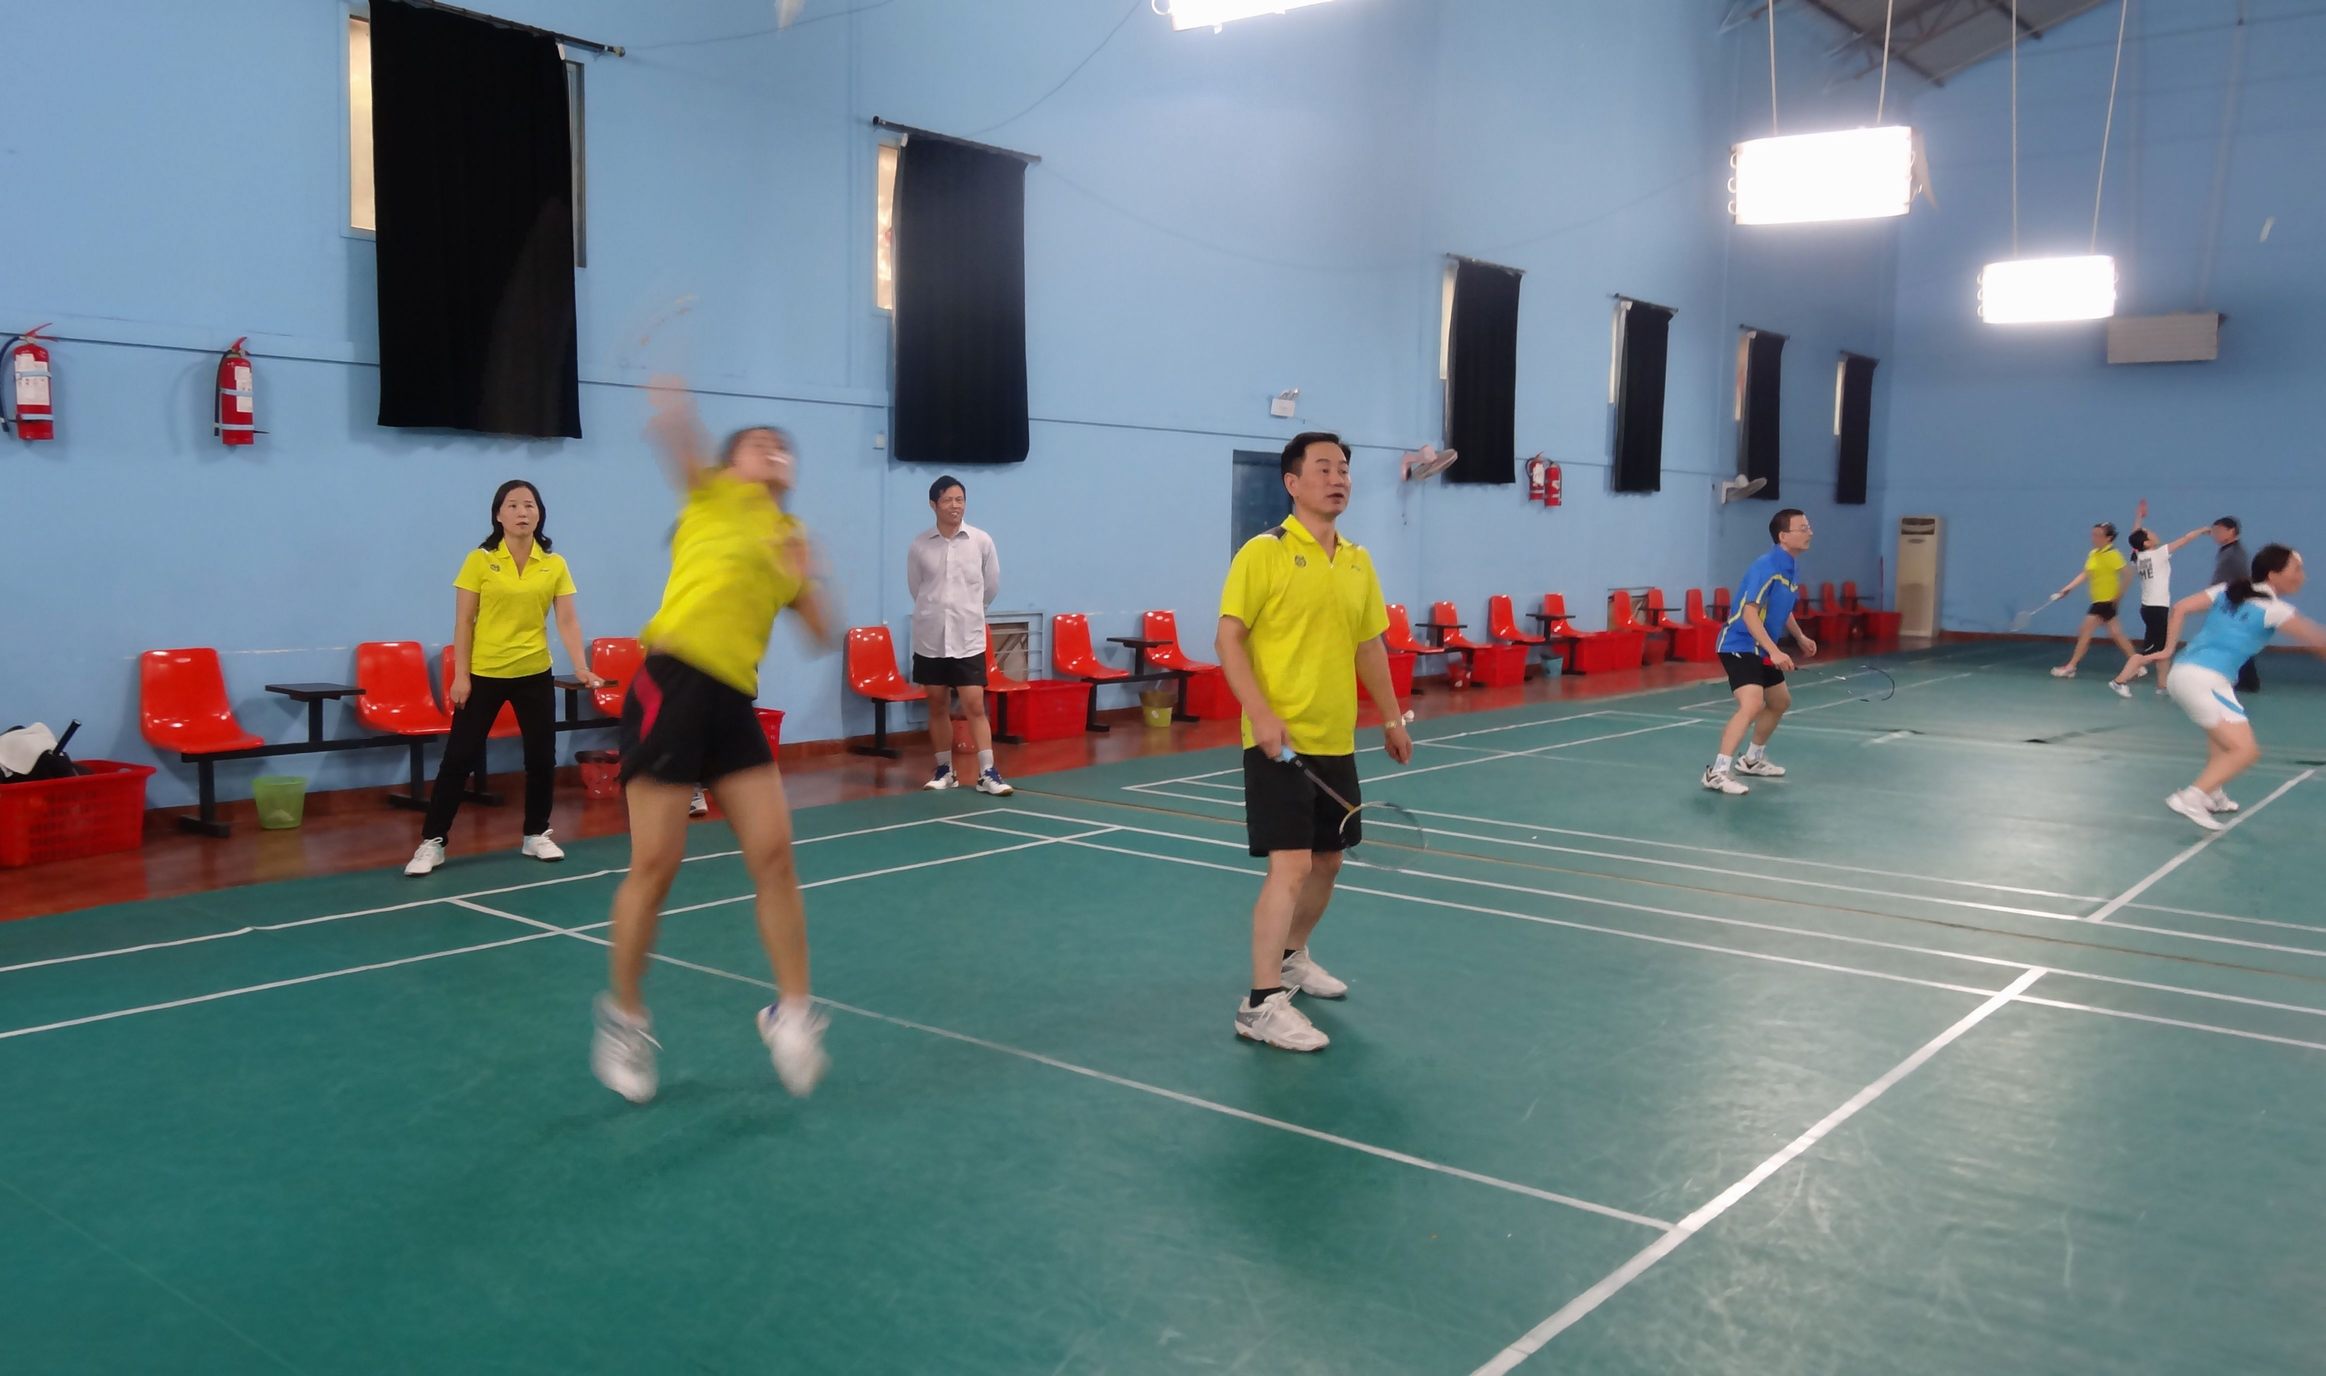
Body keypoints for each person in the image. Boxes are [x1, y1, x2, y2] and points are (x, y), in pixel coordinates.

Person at [590, 379, 838, 1103]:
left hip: (732, 699)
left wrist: (809, 577)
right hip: (671, 684)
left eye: (783, 447)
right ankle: (625, 1020)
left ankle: (792, 1014)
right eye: (761, 444)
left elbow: (821, 632)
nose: (776, 451)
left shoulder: (788, 535)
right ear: (733, 465)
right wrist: (671, 404)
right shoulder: (711, 496)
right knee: (655, 866)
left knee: (775, 854)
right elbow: (680, 439)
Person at [1215, 432, 1412, 1053]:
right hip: (1279, 740)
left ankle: (1292, 958)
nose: (1338, 478)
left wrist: (1391, 718)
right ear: (1292, 483)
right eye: (1323, 468)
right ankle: (1259, 1003)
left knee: (1329, 859)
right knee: (1292, 864)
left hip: (1335, 737)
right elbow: (1228, 639)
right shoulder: (1264, 553)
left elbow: (1368, 644)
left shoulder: (1356, 560)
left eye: (1344, 469)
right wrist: (1260, 713)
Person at [404, 480, 605, 877]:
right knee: (458, 758)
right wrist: (461, 676)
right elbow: (464, 621)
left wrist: (581, 665)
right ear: (498, 515)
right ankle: (433, 842)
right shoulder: (479, 560)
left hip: (534, 672)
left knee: (541, 758)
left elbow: (567, 619)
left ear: (539, 513)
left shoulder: (554, 563)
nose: (522, 512)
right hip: (484, 674)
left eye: (529, 505)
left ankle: (536, 833)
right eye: (512, 505)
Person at [2131, 545, 2326, 830]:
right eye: (2296, 569)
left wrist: (2168, 648)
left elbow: (2181, 606)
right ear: (2273, 575)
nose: (2302, 576)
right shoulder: (2275, 609)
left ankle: (2214, 794)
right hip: (2203, 680)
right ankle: (2191, 797)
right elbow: (2319, 641)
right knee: (2245, 751)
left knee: (2223, 744)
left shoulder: (2227, 590)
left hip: (2189, 674)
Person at [906, 475, 1010, 796]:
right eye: (948, 500)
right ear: (933, 504)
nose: (955, 506)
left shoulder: (981, 541)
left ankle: (987, 773)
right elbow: (917, 589)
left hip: (968, 638)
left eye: (960, 499)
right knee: (937, 704)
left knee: (974, 704)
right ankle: (944, 770)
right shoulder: (920, 545)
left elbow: (991, 586)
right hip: (930, 638)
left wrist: (968, 611)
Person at [1703, 508, 1815, 797]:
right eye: (1803, 528)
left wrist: (1799, 636)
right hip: (1739, 643)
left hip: (1761, 645)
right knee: (1752, 704)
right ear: (1783, 536)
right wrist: (1774, 651)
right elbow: (1749, 613)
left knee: (1779, 701)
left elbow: (1781, 607)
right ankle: (1717, 772)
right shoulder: (1766, 566)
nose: (1810, 533)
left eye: (1808, 527)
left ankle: (1752, 759)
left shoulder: (1790, 566)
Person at [2108, 500, 2210, 698]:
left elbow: (2134, 537)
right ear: (2147, 542)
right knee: (2154, 652)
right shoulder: (2158, 554)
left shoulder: (2138, 556)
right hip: (2156, 609)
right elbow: (2185, 539)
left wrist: (2139, 517)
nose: (2154, 533)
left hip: (2149, 608)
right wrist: (2202, 530)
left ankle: (2162, 686)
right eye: (2149, 533)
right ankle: (2119, 681)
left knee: (2162, 648)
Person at [2047, 523, 2139, 678]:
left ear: (2109, 538)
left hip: (2106, 602)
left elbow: (2128, 575)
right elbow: (2086, 574)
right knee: (2117, 634)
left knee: (2085, 631)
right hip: (2098, 600)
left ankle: (2071, 666)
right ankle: (2137, 665)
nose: (2093, 538)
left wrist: (2118, 596)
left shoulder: (2113, 554)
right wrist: (2067, 589)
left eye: (2098, 535)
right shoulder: (2093, 554)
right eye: (2093, 534)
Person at [2210, 516, 2261, 693]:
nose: (2215, 534)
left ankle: (2247, 680)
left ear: (2231, 531)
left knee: (2236, 640)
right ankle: (2243, 679)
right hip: (2228, 601)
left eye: (2219, 530)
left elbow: (2240, 579)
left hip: (2234, 602)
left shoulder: (2235, 553)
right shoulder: (2228, 551)